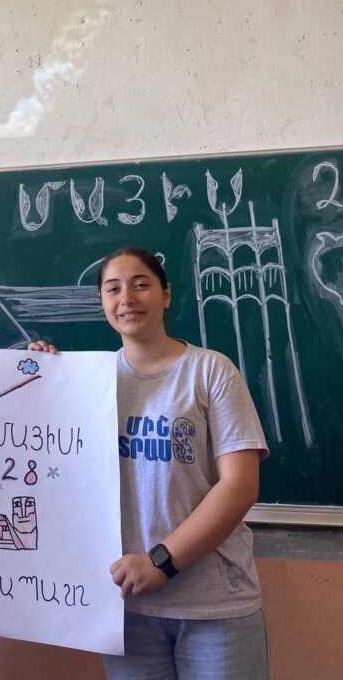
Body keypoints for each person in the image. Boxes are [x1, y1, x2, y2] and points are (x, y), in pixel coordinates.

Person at [30, 247, 269, 680]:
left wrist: (162, 561)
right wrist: (39, 375)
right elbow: (53, 462)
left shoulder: (211, 372)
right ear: (102, 302)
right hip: (124, 605)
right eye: (113, 289)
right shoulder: (90, 382)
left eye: (141, 284)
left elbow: (240, 486)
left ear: (166, 295)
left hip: (213, 606)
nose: (127, 298)